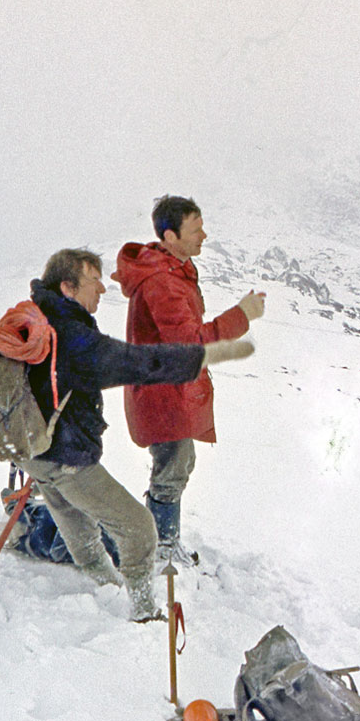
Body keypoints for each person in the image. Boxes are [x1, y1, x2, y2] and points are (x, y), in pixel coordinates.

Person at [10, 247, 254, 622]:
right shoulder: (71, 336)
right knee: (139, 529)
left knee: (76, 524)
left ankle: (104, 585)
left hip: (32, 451)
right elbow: (135, 362)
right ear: (68, 288)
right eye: (94, 281)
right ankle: (143, 612)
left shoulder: (37, 318)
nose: (102, 290)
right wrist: (201, 358)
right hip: (65, 457)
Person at [113, 195, 266, 566]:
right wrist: (241, 317)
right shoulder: (163, 282)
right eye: (196, 230)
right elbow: (189, 343)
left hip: (166, 388)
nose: (204, 235)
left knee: (177, 461)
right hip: (162, 391)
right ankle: (159, 545)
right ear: (170, 235)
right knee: (174, 462)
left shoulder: (175, 271)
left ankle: (160, 539)